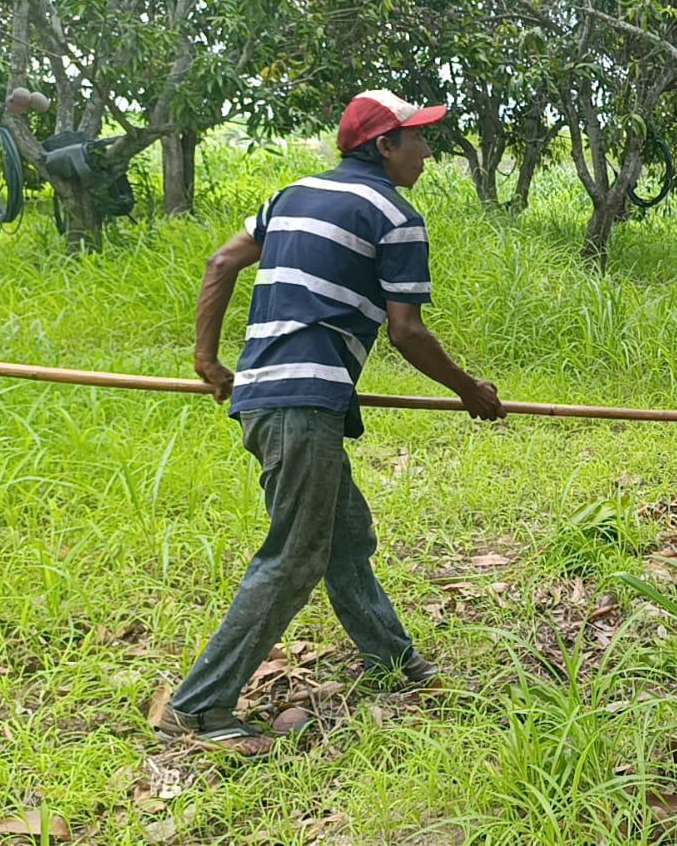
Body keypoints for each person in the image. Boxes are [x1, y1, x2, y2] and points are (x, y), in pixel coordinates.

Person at [153, 89, 507, 756]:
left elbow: (221, 262)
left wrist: (208, 358)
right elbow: (406, 332)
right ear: (384, 146)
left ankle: (394, 661)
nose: (427, 153)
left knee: (344, 538)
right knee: (295, 555)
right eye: (418, 139)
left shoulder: (290, 196)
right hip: (304, 403)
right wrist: (469, 391)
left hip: (264, 398)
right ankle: (198, 706)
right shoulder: (395, 215)